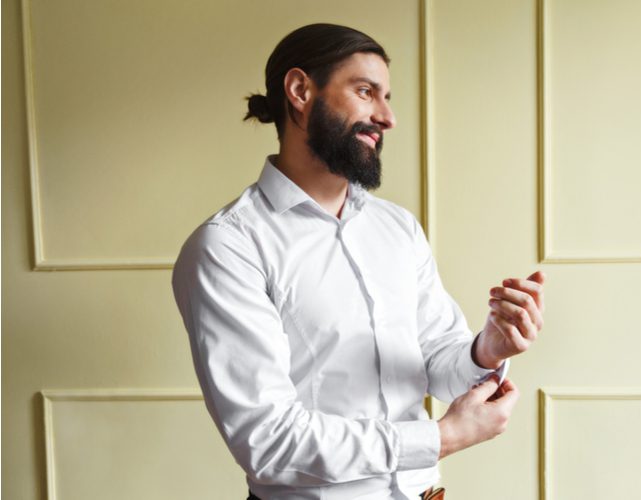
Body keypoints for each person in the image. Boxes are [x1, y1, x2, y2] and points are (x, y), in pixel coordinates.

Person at [171, 23, 546, 500]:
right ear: (300, 90)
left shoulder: (398, 228)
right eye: (366, 92)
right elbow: (268, 442)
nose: (387, 117)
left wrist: (486, 350)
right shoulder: (228, 247)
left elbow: (433, 358)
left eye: (387, 97)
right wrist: (443, 438)